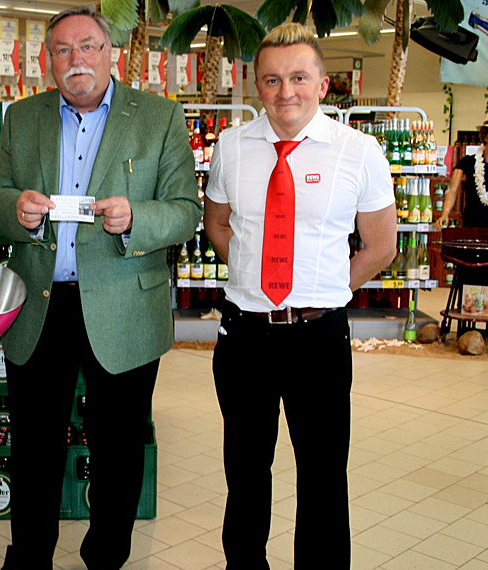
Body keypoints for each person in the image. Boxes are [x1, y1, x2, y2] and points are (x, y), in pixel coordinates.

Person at [0, 6, 201, 569]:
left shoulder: (159, 117)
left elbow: (185, 211)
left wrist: (136, 219)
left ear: (111, 54)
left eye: (87, 47)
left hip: (125, 305)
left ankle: (106, 556)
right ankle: (29, 557)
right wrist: (16, 210)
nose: (75, 59)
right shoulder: (23, 117)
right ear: (47, 60)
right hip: (40, 305)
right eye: (62, 50)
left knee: (119, 447)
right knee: (34, 446)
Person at [202, 22, 396, 569]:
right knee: (245, 473)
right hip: (244, 337)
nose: (285, 91)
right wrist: (255, 277)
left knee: (323, 475)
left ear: (323, 84)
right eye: (272, 80)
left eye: (298, 78)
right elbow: (218, 225)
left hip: (319, 338)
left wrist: (326, 289)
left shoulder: (358, 152)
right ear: (256, 86)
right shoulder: (231, 147)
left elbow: (381, 246)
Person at [435, 108, 488, 311]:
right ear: (485, 135)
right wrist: (445, 213)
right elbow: (453, 189)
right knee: (471, 270)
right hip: (472, 226)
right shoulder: (468, 162)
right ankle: (470, 312)